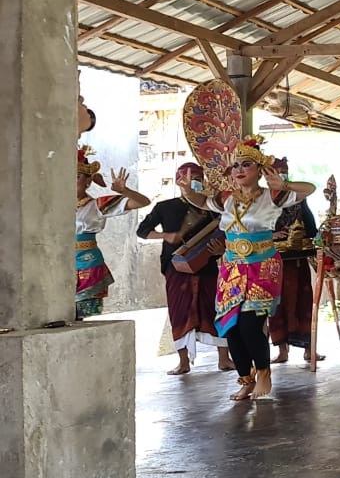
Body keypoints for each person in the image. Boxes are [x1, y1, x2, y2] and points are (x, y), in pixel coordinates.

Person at [177, 135, 316, 401]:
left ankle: (263, 371)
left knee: (251, 325)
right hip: (232, 268)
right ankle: (246, 378)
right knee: (230, 326)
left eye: (246, 165)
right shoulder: (226, 198)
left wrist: (284, 183)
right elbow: (201, 201)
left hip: (262, 265)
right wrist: (187, 191)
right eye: (236, 165)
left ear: (260, 170)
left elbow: (309, 188)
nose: (239, 170)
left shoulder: (273, 196)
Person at [136, 162, 232, 375]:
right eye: (187, 178)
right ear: (178, 181)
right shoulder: (164, 207)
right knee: (179, 311)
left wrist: (220, 250)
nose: (192, 182)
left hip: (206, 266)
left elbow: (226, 232)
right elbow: (142, 231)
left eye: (197, 178)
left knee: (216, 308)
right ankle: (183, 362)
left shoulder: (213, 208)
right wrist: (165, 236)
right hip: (175, 267)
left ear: (204, 181)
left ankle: (224, 359)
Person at [76, 146, 151, 319]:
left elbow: (143, 202)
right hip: (61, 262)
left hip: (87, 262)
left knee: (79, 314)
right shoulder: (55, 205)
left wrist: (125, 191)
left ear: (88, 181)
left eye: (77, 177)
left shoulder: (97, 205)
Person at [269, 157, 321, 365]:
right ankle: (282, 350)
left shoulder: (297, 196)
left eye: (285, 170)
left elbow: (309, 224)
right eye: (278, 171)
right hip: (273, 261)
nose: (283, 173)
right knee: (276, 305)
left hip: (297, 258)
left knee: (303, 301)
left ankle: (309, 349)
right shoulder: (262, 198)